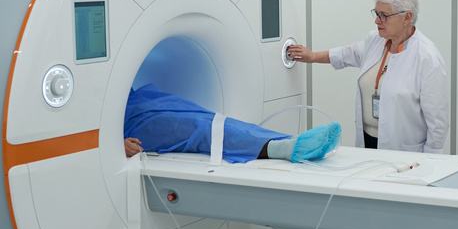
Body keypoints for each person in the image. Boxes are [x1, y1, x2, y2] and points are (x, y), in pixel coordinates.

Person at [286, 0, 448, 153]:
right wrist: (313, 56)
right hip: (368, 141)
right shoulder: (376, 40)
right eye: (376, 14)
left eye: (384, 16)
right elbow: (348, 53)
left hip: (405, 151)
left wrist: (431, 162)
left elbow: (438, 124)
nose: (377, 21)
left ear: (407, 17)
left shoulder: (427, 57)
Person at [122, 83, 340, 162]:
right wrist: (114, 143)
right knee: (195, 126)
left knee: (207, 117)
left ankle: (287, 140)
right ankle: (282, 148)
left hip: (135, 99)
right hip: (126, 123)